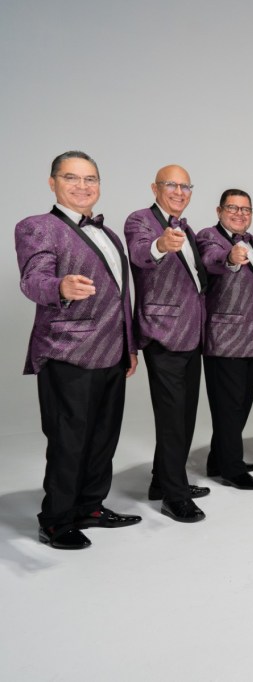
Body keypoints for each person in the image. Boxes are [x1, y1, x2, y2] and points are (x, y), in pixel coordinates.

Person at [16, 150, 140, 549]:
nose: (82, 186)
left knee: (104, 437)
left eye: (90, 179)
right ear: (52, 183)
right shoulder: (37, 227)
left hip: (113, 351)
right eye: (71, 178)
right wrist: (60, 287)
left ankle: (90, 507)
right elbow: (33, 280)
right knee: (68, 441)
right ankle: (55, 520)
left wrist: (130, 345)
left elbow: (120, 296)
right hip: (67, 349)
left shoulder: (110, 234)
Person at [124, 164, 209, 522]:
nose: (179, 192)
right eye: (171, 185)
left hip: (192, 334)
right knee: (173, 417)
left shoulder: (186, 228)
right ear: (155, 188)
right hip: (163, 332)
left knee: (184, 415)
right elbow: (140, 253)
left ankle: (163, 480)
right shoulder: (140, 220)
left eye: (185, 186)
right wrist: (160, 245)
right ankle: (175, 496)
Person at [195, 189, 253, 491]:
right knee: (228, 408)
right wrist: (229, 257)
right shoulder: (209, 237)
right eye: (233, 208)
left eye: (246, 209)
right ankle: (232, 469)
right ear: (219, 211)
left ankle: (219, 459)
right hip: (225, 338)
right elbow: (210, 260)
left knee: (241, 405)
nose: (240, 214)